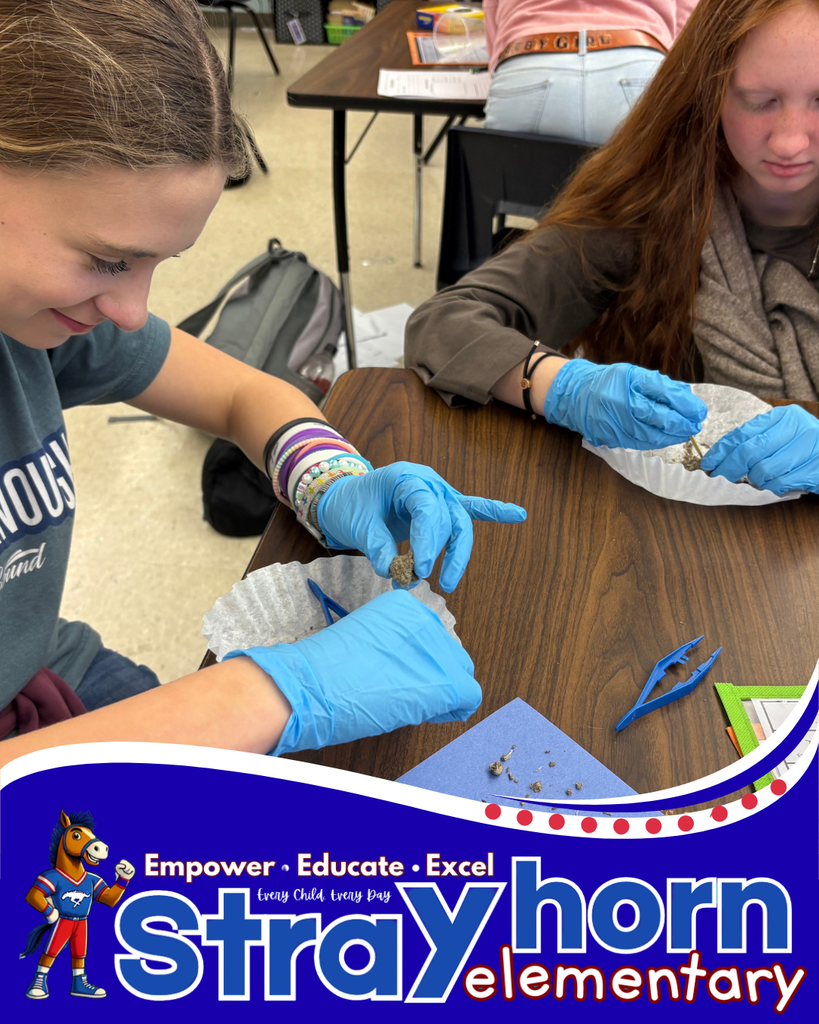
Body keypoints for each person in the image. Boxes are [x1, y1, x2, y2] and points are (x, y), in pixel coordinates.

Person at [0, 0, 526, 766]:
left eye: (157, 265)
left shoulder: (32, 319)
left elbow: (240, 395)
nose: (132, 309)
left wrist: (330, 479)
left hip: (46, 673)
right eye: (107, 260)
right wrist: (268, 694)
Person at [407, 0, 819, 497]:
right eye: (759, 99)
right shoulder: (650, 208)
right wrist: (560, 386)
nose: (792, 142)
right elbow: (444, 323)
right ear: (708, 91)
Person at [482, 1, 697, 142]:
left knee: (516, 184)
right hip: (638, 63)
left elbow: (493, 14)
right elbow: (689, 19)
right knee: (652, 198)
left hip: (526, 64)